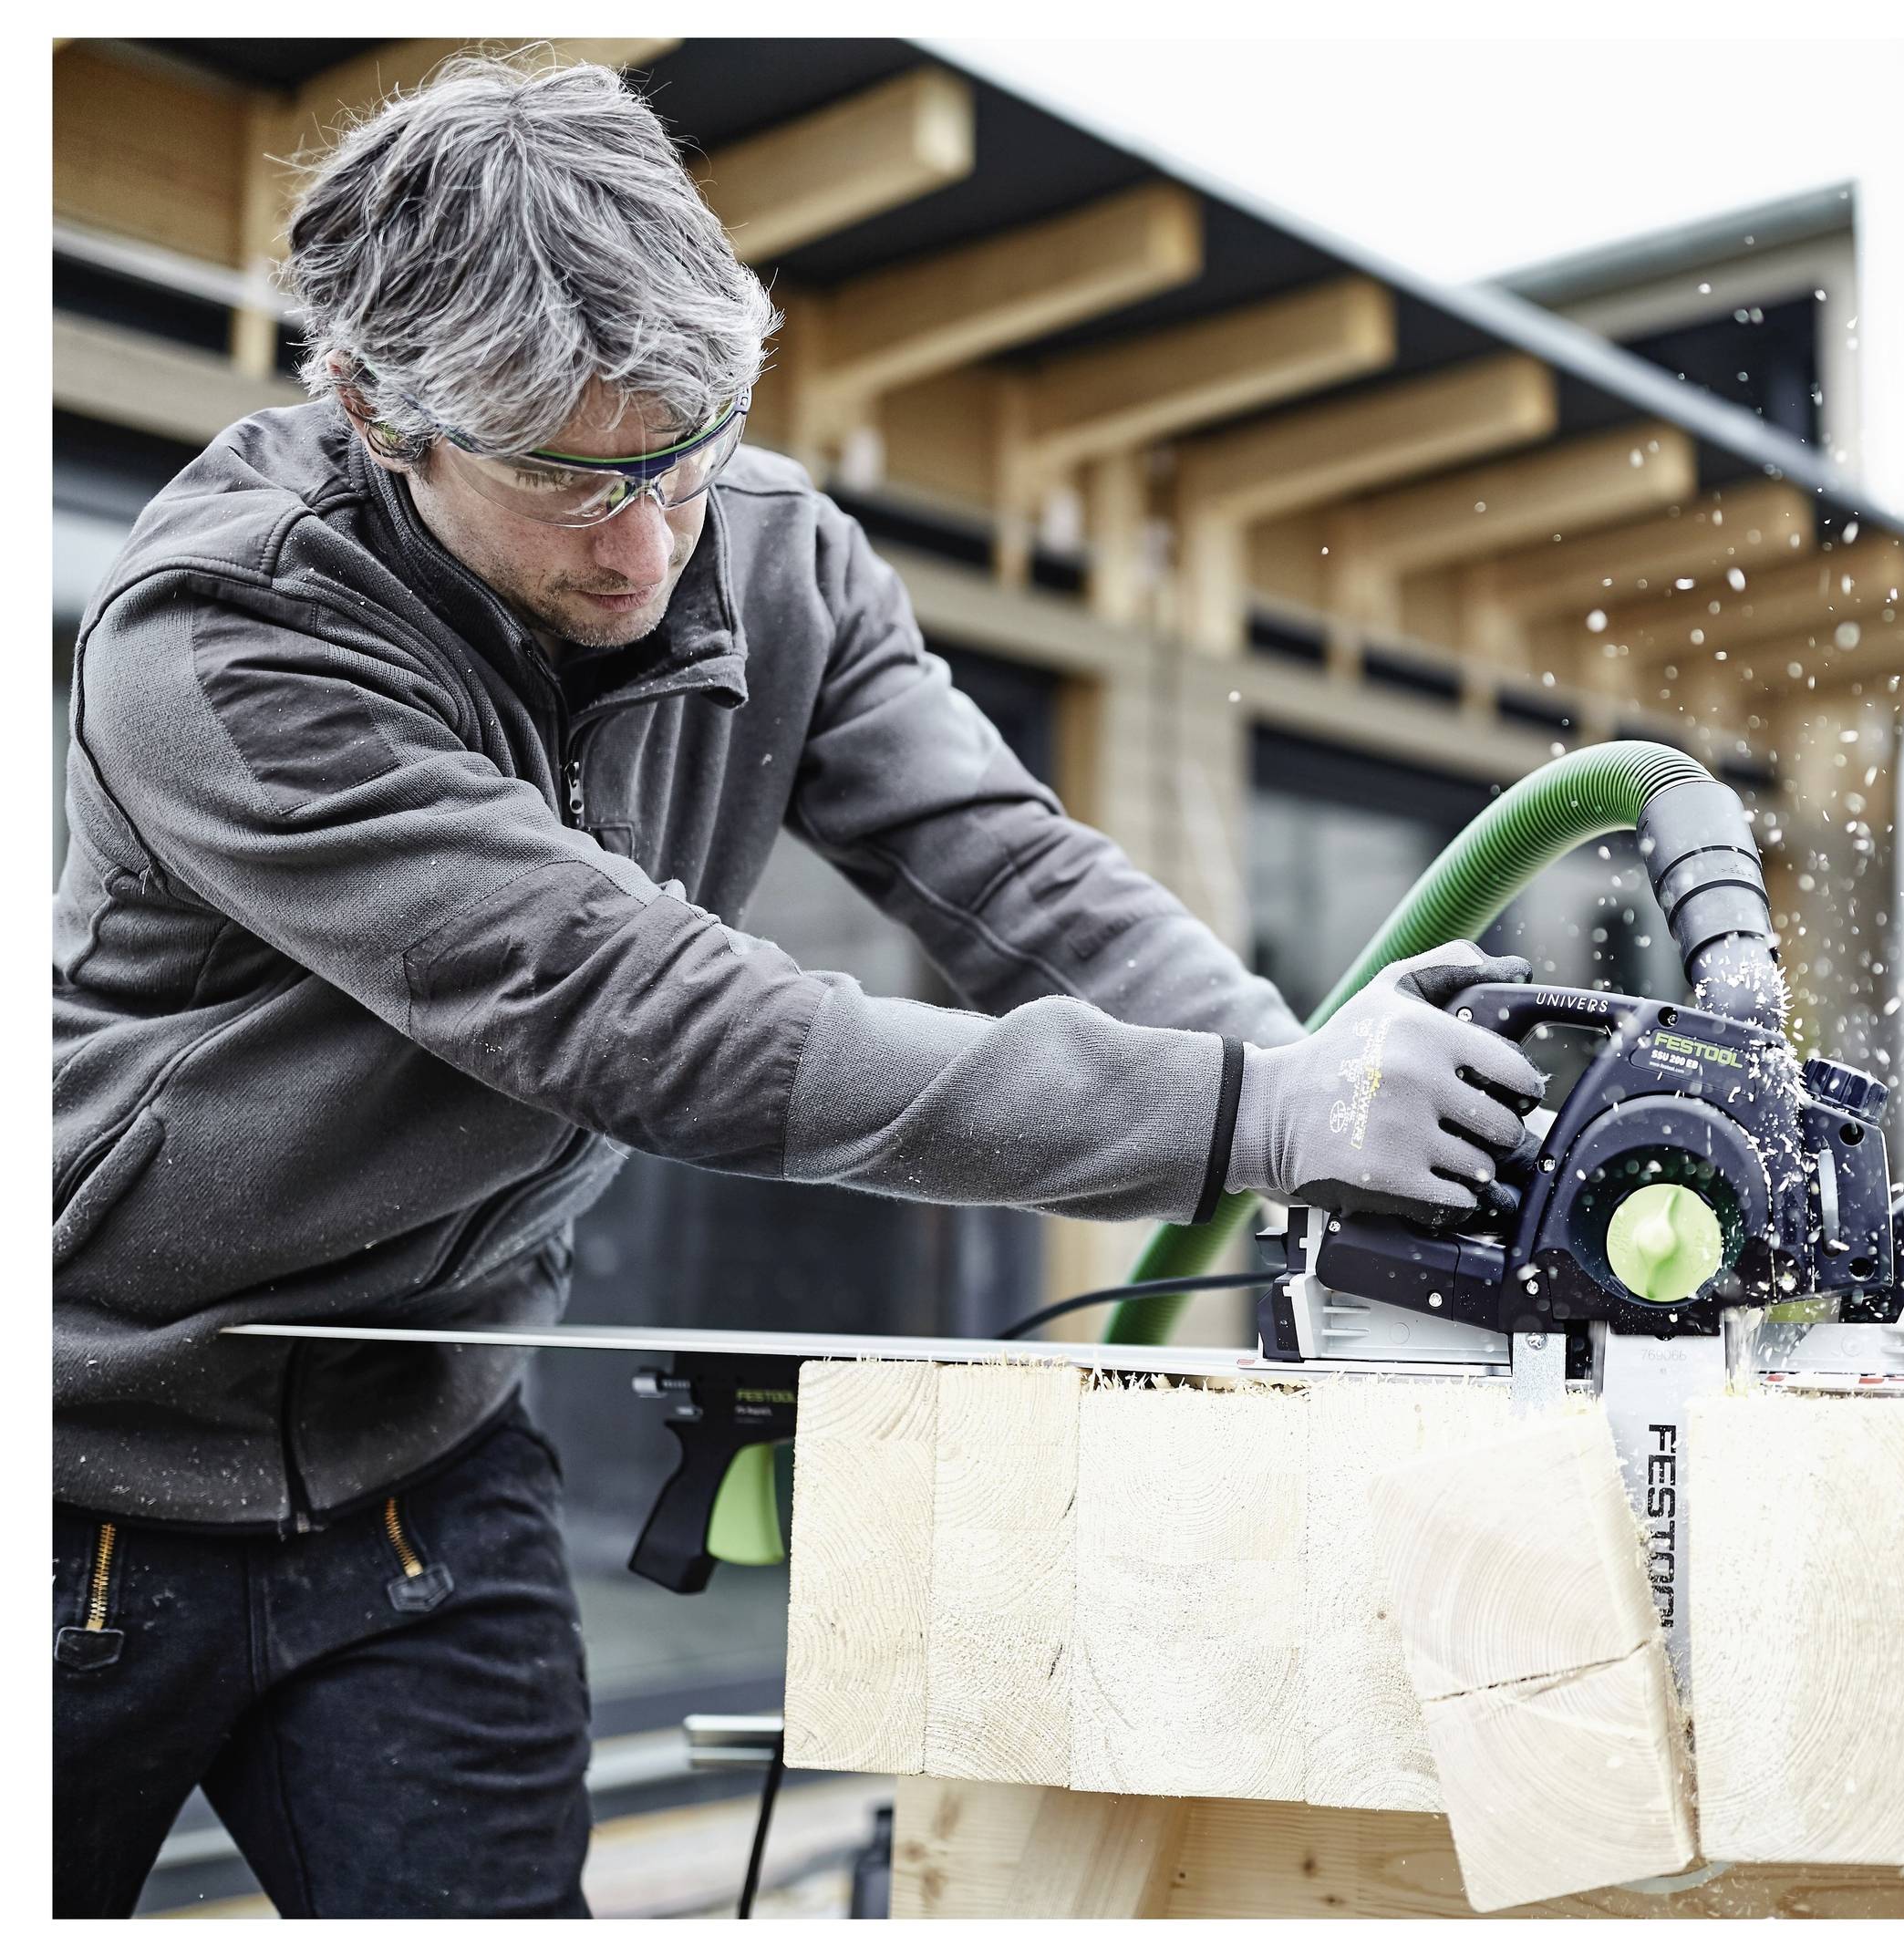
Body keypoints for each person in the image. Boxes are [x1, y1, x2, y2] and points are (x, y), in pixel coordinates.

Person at [51, 54, 1544, 1918]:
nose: (650, 539)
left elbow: (1014, 871)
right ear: (375, 408)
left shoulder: (767, 552)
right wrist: (1254, 1119)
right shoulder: (226, 645)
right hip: (84, 1467)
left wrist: (1308, 1076)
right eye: (567, 474)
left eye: (682, 449)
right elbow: (651, 1011)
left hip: (429, 1455)